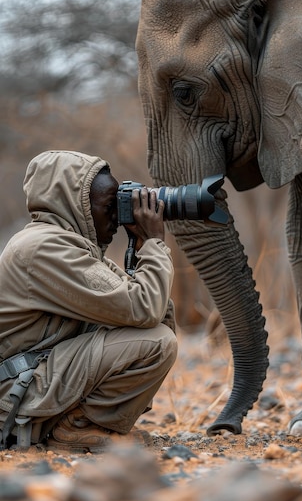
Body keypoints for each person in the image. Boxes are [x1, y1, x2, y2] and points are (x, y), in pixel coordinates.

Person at [0, 150, 177, 451]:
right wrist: (155, 242)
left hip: (30, 381)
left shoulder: (69, 245)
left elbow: (154, 310)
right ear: (76, 204)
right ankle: (77, 427)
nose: (117, 218)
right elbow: (143, 308)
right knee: (157, 342)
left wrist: (142, 245)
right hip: (13, 396)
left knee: (157, 327)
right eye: (110, 206)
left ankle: (78, 423)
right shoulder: (44, 249)